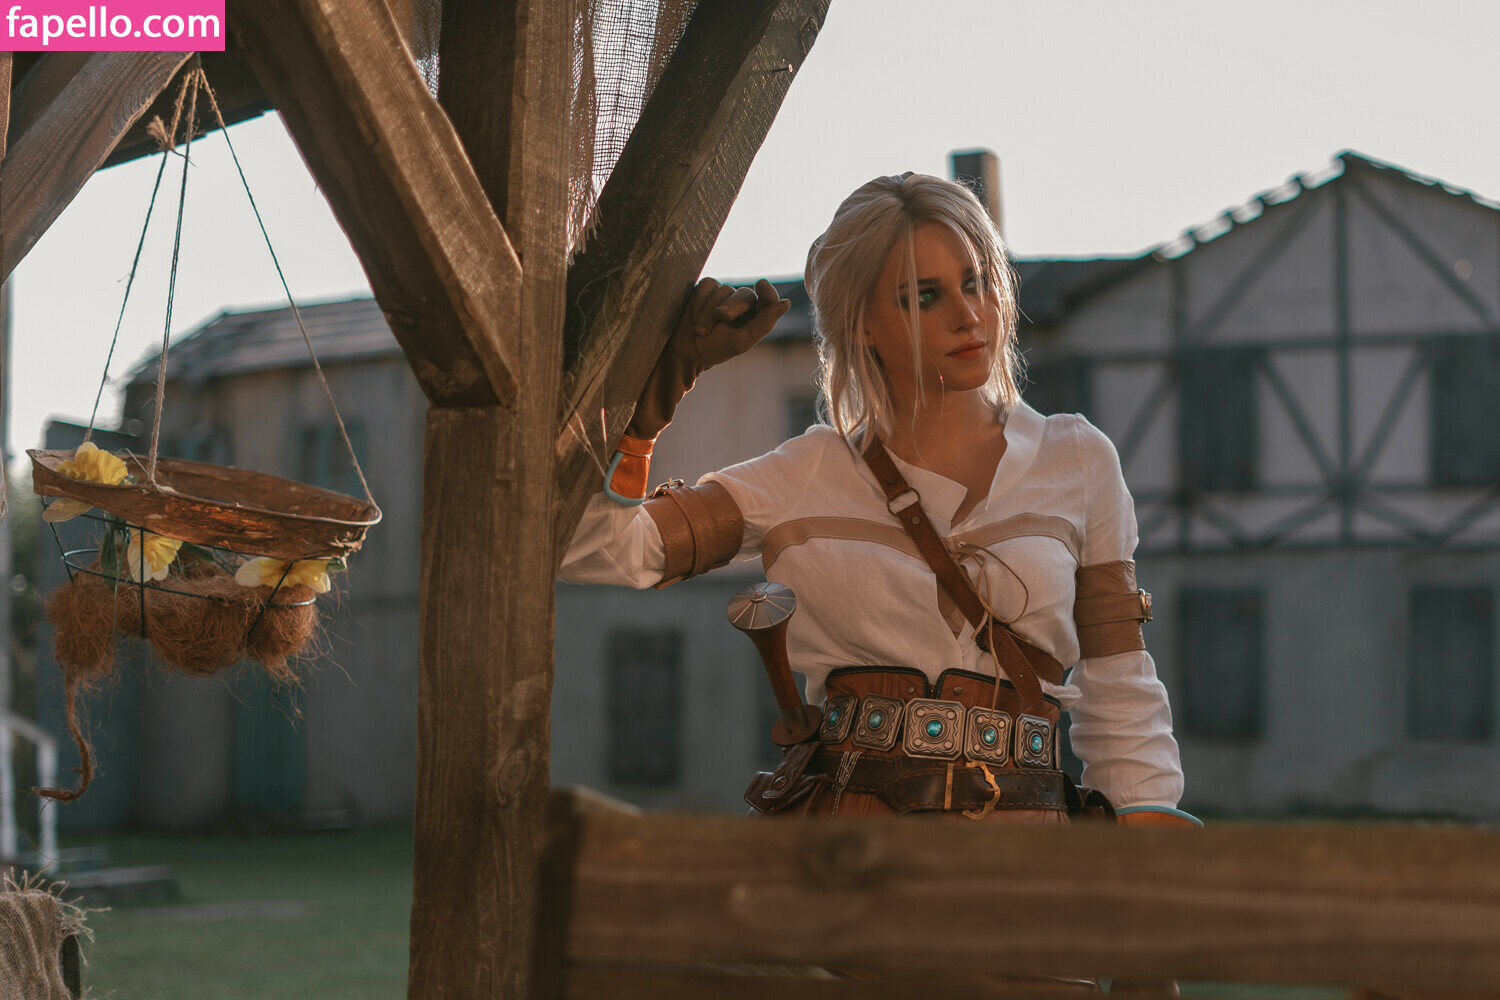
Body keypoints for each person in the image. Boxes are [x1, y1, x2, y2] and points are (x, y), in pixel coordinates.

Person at [561, 171, 1199, 833]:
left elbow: (1118, 680)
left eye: (977, 281)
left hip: (1025, 840)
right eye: (923, 296)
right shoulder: (808, 473)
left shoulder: (1078, 458)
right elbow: (600, 550)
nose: (968, 314)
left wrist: (1144, 827)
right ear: (863, 324)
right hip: (848, 841)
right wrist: (645, 405)